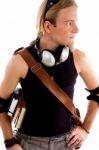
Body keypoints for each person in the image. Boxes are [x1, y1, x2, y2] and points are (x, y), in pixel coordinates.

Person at [0, 0, 99, 150]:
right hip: (27, 144)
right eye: (69, 23)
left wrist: (85, 129)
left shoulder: (79, 58)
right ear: (48, 26)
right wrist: (10, 143)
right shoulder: (20, 61)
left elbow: (97, 94)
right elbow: (1, 103)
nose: (76, 29)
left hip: (68, 143)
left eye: (75, 22)